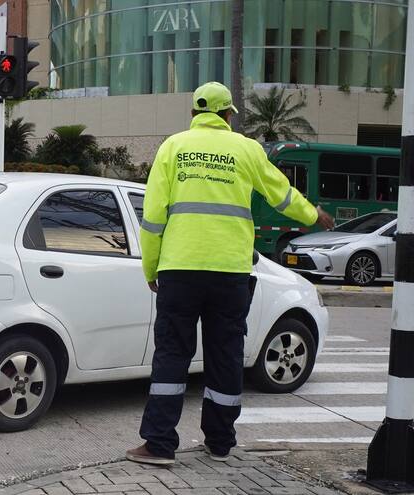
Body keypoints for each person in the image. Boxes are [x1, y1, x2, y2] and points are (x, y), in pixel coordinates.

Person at [126, 82, 335, 466]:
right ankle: (220, 442)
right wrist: (312, 215)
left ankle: (159, 445)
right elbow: (281, 193)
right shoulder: (247, 149)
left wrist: (151, 268)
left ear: (193, 114)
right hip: (230, 273)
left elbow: (153, 218)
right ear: (227, 115)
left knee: (172, 354)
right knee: (225, 355)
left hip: (180, 269)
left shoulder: (173, 147)